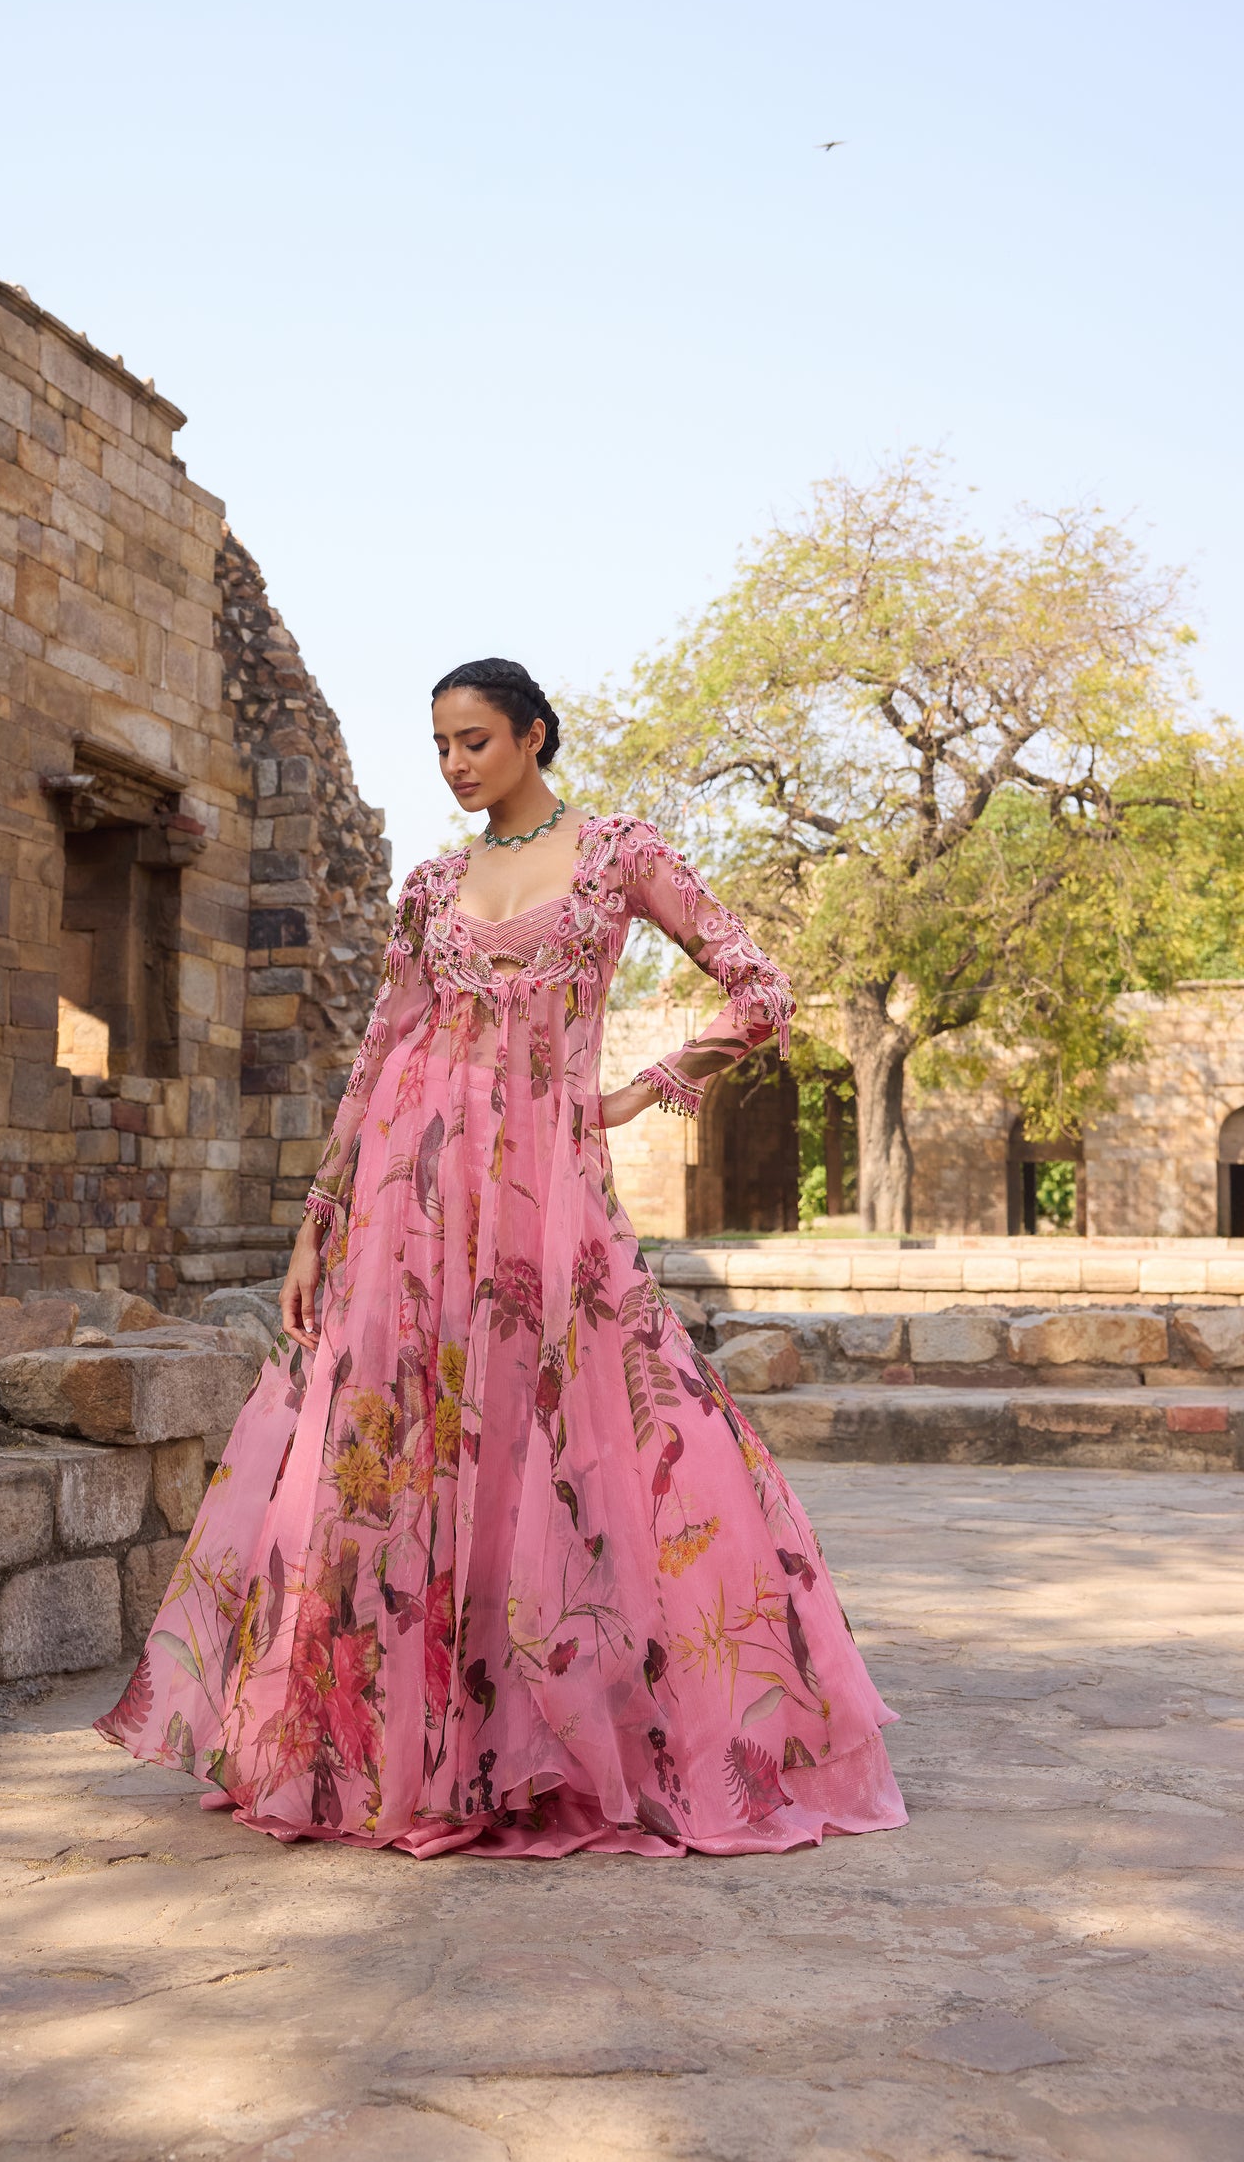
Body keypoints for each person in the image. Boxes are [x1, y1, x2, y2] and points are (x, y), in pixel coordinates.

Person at [96, 659, 907, 1857]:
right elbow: (379, 1056)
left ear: (533, 735)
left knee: (597, 1439)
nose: (456, 763)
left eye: (475, 738)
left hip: (546, 1200)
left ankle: (582, 1735)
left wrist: (645, 1086)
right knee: (397, 1451)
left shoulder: (619, 854)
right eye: (439, 745)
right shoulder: (430, 885)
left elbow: (759, 985)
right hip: (407, 1204)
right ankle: (406, 1750)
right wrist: (320, 1222)